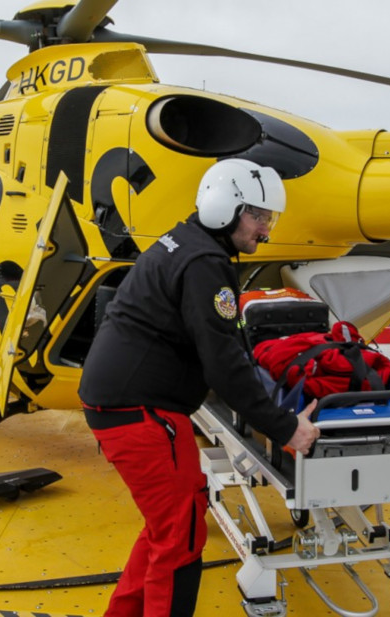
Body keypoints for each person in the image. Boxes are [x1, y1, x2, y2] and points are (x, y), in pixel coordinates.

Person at [78, 158, 321, 617]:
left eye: (269, 218)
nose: (265, 230)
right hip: (142, 414)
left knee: (166, 527)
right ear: (225, 208)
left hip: (123, 406)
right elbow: (223, 362)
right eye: (258, 216)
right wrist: (285, 427)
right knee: (181, 538)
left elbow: (221, 342)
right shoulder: (206, 262)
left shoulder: (183, 243)